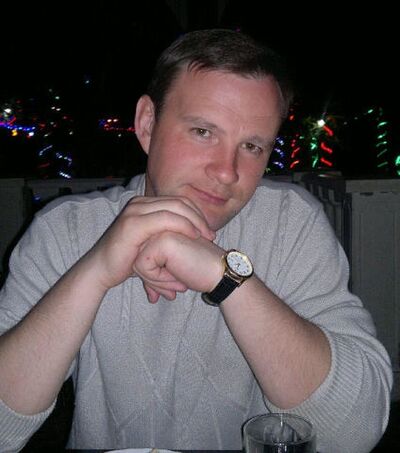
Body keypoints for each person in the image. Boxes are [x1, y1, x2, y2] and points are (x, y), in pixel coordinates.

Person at [0, 29, 392, 452]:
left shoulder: (290, 226)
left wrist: (227, 277)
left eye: (252, 146)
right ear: (147, 124)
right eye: (203, 132)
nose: (227, 171)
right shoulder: (66, 230)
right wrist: (94, 272)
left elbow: (355, 432)